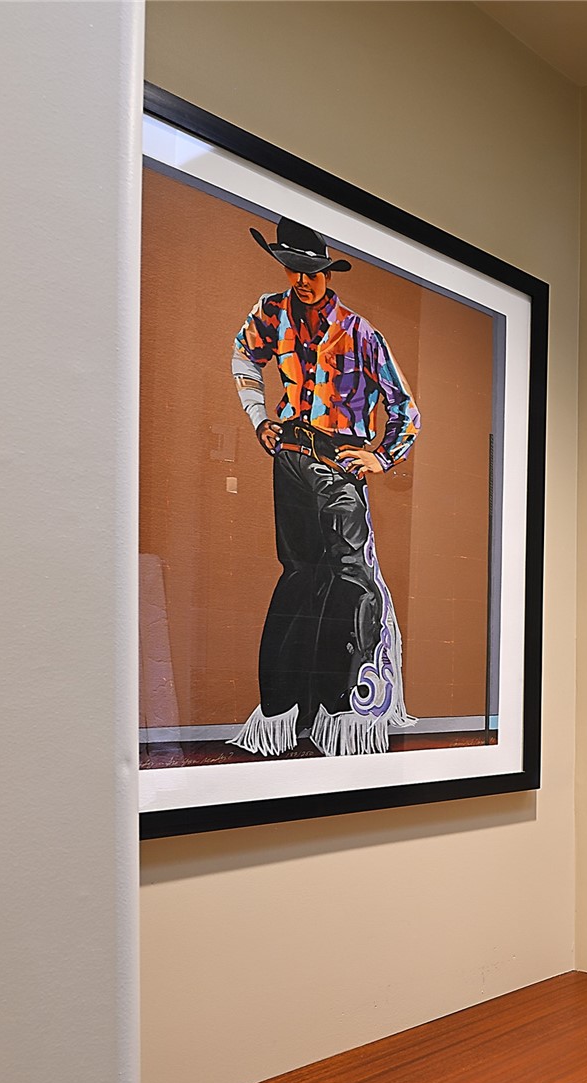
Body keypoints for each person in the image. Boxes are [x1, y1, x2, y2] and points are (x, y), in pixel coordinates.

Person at [226, 216, 422, 758]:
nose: (302, 281)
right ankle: (286, 711)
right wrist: (258, 417)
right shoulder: (271, 313)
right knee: (297, 576)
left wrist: (380, 456)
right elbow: (243, 357)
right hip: (290, 459)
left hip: (339, 465)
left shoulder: (360, 333)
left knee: (350, 578)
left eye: (311, 271)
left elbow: (405, 409)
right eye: (293, 269)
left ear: (328, 273)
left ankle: (347, 711)